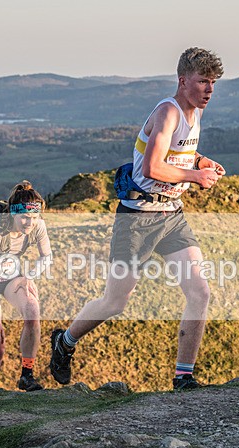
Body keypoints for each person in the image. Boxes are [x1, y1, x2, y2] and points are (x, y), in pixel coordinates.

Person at [49, 47, 225, 391]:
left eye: (213, 83)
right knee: (115, 301)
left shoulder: (195, 114)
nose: (209, 90)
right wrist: (195, 178)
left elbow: (182, 151)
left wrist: (201, 162)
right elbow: (152, 167)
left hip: (171, 216)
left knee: (199, 291)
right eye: (203, 81)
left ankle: (183, 378)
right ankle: (65, 342)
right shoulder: (168, 113)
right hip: (137, 219)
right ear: (183, 80)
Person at [0, 181, 52, 391]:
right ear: (13, 215)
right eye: (24, 217)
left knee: (32, 310)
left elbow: (47, 256)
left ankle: (27, 375)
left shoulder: (38, 226)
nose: (29, 223)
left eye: (34, 217)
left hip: (11, 277)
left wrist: (30, 276)